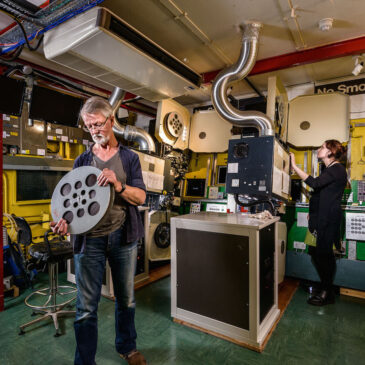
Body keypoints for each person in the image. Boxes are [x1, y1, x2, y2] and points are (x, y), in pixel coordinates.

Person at [51, 96, 147, 365]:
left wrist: (118, 185)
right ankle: (84, 361)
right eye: (89, 126)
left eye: (97, 124)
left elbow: (141, 197)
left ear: (111, 121)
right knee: (85, 307)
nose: (93, 130)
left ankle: (127, 347)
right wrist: (63, 222)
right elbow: (71, 205)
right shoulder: (82, 160)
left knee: (126, 300)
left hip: (122, 237)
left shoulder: (129, 158)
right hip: (89, 242)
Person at [290, 140, 347, 306]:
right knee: (315, 253)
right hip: (320, 218)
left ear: (330, 152)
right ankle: (325, 287)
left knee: (324, 256)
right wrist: (312, 214)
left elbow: (314, 184)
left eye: (322, 147)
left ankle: (327, 293)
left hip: (328, 220)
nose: (319, 149)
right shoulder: (328, 169)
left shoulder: (337, 169)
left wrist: (294, 166)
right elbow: (321, 194)